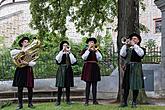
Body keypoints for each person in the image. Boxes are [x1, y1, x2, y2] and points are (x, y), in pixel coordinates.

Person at [120, 33, 146, 108]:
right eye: (132, 39)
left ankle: (134, 102)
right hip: (128, 67)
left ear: (138, 41)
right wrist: (125, 45)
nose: (133, 40)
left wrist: (134, 45)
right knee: (126, 86)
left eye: (135, 39)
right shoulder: (127, 48)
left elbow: (141, 54)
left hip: (136, 68)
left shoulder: (141, 49)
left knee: (136, 85)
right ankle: (124, 102)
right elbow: (122, 54)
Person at [10, 37, 36, 110]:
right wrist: (23, 51)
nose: (27, 43)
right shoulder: (17, 51)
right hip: (20, 70)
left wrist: (27, 63)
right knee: (20, 88)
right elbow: (11, 53)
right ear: (22, 43)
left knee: (30, 88)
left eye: (27, 42)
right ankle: (20, 105)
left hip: (28, 70)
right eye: (25, 41)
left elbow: (34, 63)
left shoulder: (31, 52)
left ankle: (30, 103)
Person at [81, 38, 102, 106]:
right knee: (88, 85)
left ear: (94, 44)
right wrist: (88, 50)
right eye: (90, 42)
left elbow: (100, 58)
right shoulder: (85, 50)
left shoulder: (97, 50)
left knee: (94, 85)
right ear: (88, 43)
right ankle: (86, 101)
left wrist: (96, 51)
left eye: (92, 42)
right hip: (88, 68)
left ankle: (94, 101)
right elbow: (84, 57)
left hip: (95, 68)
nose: (91, 43)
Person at [55, 41, 77, 106]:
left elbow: (73, 62)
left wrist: (69, 52)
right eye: (64, 45)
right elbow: (57, 60)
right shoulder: (60, 53)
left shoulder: (70, 54)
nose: (65, 47)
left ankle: (68, 100)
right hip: (61, 69)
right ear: (62, 46)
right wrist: (62, 51)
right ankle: (58, 101)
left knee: (68, 86)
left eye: (66, 45)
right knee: (60, 86)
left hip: (68, 70)